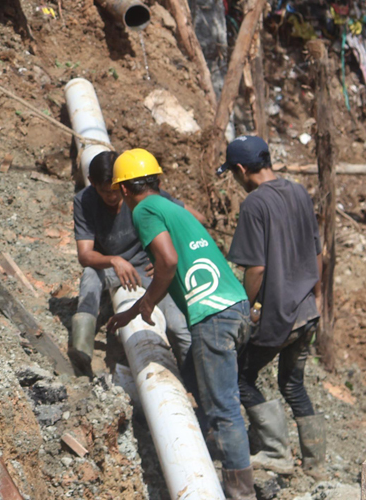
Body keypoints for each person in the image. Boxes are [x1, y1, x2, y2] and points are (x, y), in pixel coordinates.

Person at [108, 149, 254, 500]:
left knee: (223, 409)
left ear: (124, 189)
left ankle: (241, 493)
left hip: (212, 316)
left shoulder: (143, 210)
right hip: (236, 306)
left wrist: (146, 303)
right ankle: (216, 460)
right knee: (216, 393)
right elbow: (178, 256)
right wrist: (135, 308)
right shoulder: (172, 207)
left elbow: (169, 260)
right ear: (157, 180)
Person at [222, 135, 326, 475]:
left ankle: (276, 451)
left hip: (280, 315)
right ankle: (316, 465)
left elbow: (256, 268)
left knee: (240, 377)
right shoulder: (298, 191)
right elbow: (317, 252)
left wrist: (245, 307)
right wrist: (317, 295)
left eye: (233, 173)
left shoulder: (255, 204)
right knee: (293, 384)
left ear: (241, 169)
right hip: (307, 312)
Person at [69, 149, 194, 377]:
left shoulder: (139, 194)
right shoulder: (85, 201)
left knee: (178, 326)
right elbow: (85, 255)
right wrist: (114, 260)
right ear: (92, 183)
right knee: (90, 275)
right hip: (111, 268)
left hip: (148, 268)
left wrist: (167, 256)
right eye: (105, 192)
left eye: (116, 191)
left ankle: (194, 379)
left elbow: (190, 220)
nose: (112, 197)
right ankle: (81, 351)